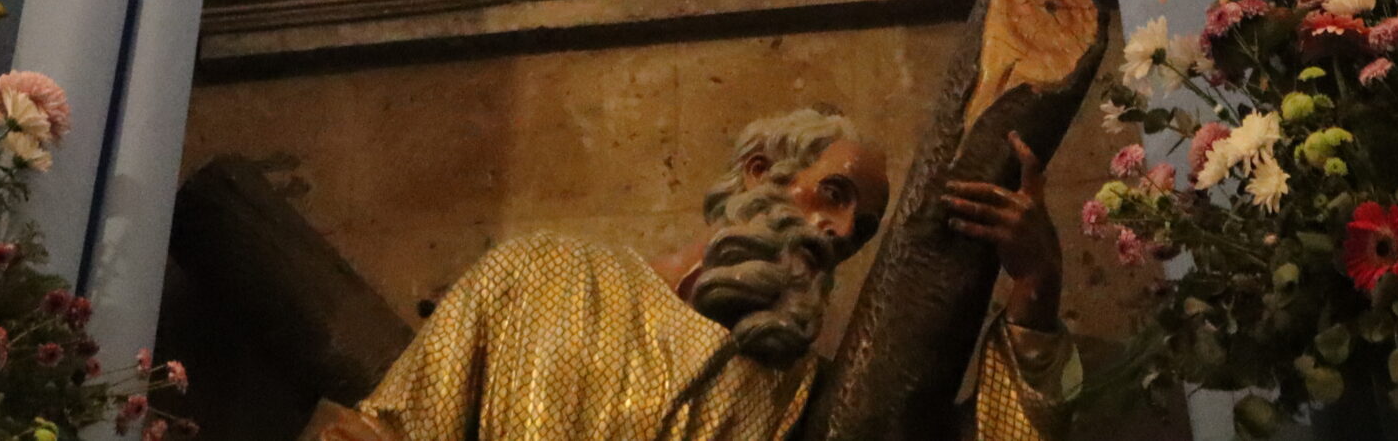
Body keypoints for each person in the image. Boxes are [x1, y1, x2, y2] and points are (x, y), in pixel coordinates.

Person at [311, 107, 1072, 441]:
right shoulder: (542, 274)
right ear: (758, 171)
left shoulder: (807, 398)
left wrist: (1035, 293)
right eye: (833, 195)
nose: (838, 234)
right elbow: (390, 430)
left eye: (860, 231)